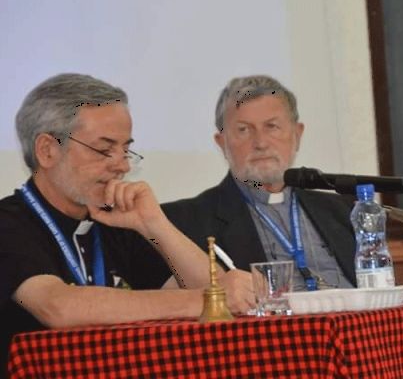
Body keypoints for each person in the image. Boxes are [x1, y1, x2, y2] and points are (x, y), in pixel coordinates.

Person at [0, 73, 254, 372]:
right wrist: (203, 300)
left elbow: (218, 297)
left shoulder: (115, 223)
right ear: (47, 150)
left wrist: (155, 224)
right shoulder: (9, 223)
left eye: (125, 150)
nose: (122, 166)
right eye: (105, 149)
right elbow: (58, 306)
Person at [162, 75, 357, 291]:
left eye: (272, 127)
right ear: (222, 143)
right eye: (244, 130)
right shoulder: (189, 223)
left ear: (297, 135)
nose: (260, 143)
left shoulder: (344, 211)